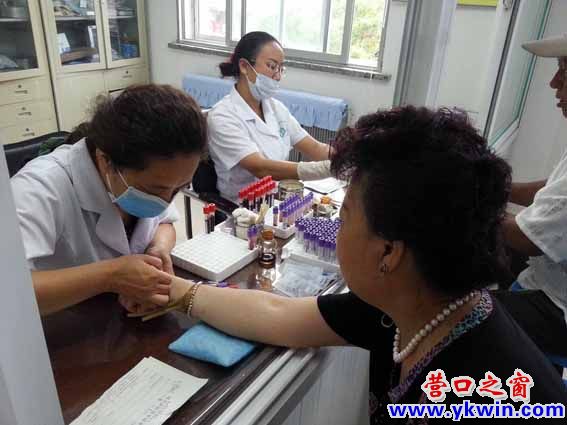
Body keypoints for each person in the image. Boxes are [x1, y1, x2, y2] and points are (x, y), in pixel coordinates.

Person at [142, 106, 567, 423]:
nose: (336, 228)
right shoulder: (411, 305)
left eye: (344, 219)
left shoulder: (480, 396)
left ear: (389, 253)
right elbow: (278, 313)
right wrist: (176, 290)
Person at [10, 84, 207, 315]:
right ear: (105, 160)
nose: (165, 201)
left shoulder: (153, 176)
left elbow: (164, 222)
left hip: (114, 318)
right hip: (58, 323)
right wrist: (110, 276)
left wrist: (158, 248)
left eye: (179, 188)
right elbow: (11, 290)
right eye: (155, 189)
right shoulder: (37, 189)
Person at [498, 34, 567, 359]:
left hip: (558, 308)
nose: (554, 83)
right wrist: (496, 186)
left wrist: (464, 198)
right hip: (549, 283)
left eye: (565, 71)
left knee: (451, 317)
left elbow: (528, 238)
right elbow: (553, 192)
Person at [207, 31, 334, 202]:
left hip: (278, 198)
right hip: (242, 208)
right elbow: (260, 168)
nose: (278, 76)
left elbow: (316, 148)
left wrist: (349, 156)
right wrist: (324, 169)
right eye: (272, 66)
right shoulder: (222, 116)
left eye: (281, 68)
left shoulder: (276, 108)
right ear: (244, 66)